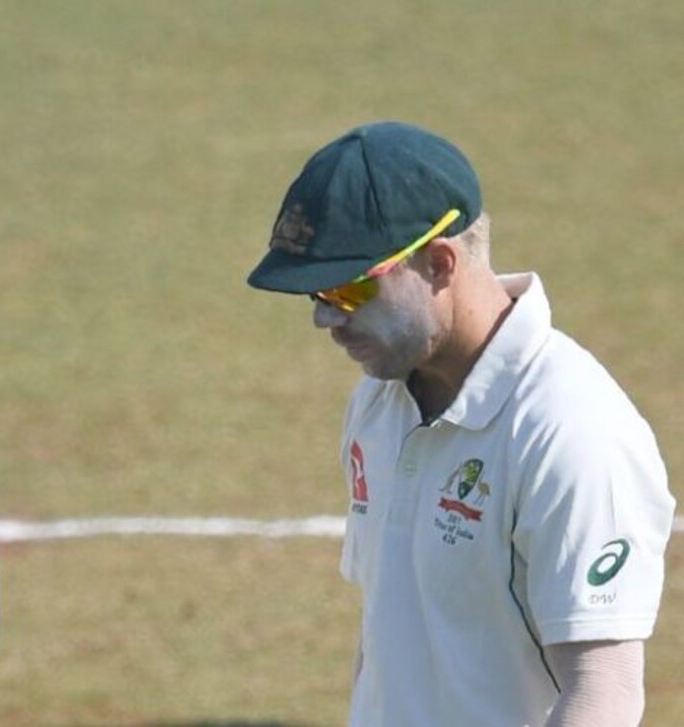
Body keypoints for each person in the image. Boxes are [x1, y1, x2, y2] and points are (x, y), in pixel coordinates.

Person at [246, 121, 675, 726]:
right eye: (314, 296)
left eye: (345, 292)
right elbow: (389, 633)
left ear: (439, 264)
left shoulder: (574, 432)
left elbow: (603, 692)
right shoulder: (380, 400)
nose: (324, 320)